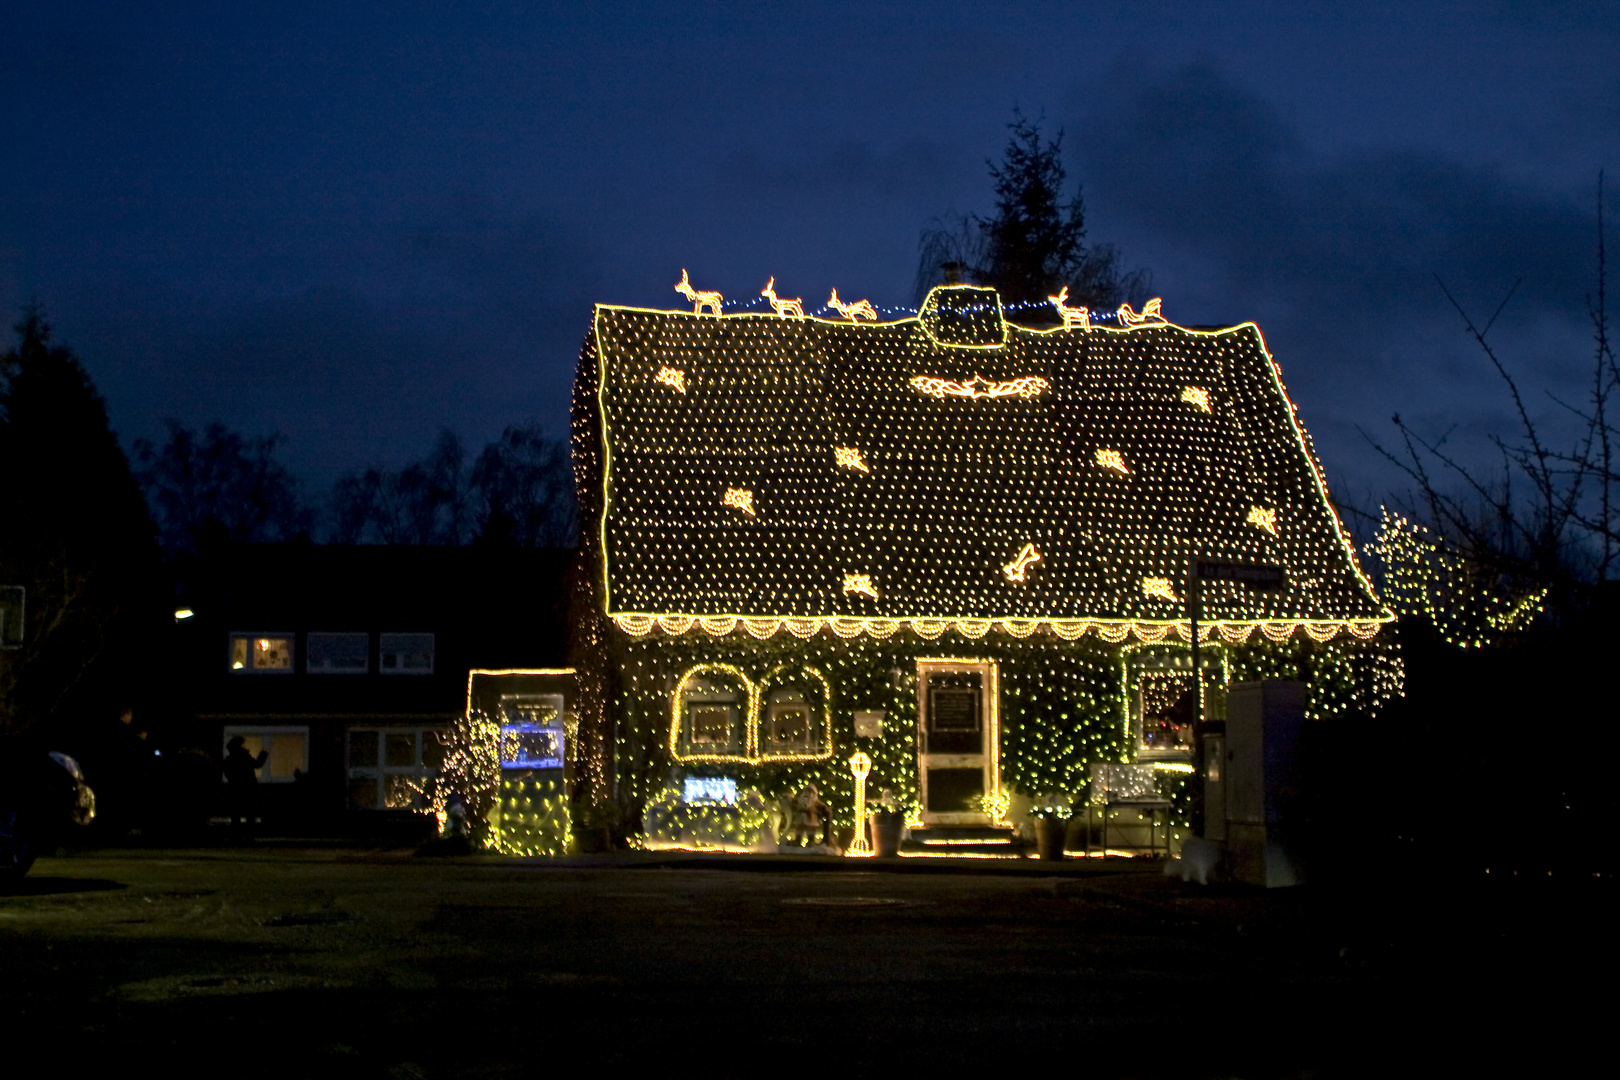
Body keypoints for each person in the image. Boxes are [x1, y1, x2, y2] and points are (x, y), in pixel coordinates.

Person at [222, 735, 268, 841]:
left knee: (236, 813)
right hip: (247, 788)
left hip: (235, 789)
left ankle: (235, 835)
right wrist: (263, 755)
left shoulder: (229, 759)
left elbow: (227, 773)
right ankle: (249, 836)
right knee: (249, 813)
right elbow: (257, 764)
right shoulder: (244, 757)